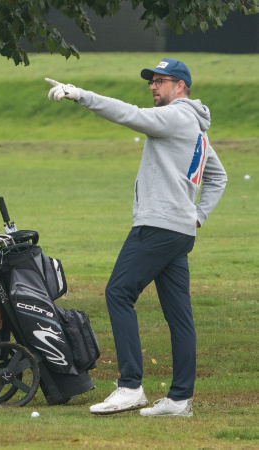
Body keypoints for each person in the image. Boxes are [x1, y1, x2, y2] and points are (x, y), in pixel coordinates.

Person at [45, 58, 227, 417]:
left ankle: (130, 387)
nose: (153, 87)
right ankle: (179, 401)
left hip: (158, 227)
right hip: (177, 231)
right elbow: (218, 176)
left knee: (118, 292)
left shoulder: (176, 117)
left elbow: (130, 115)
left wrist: (80, 94)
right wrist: (196, 217)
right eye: (152, 82)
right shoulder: (196, 127)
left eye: (160, 81)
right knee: (179, 316)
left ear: (180, 87)